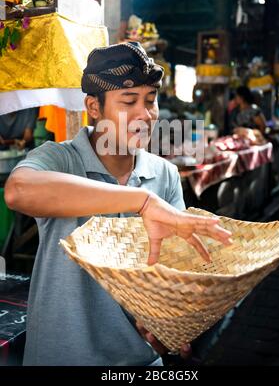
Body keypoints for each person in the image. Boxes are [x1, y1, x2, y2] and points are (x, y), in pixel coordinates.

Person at [4, 42, 232, 366]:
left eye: (150, 101)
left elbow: (169, 275)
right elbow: (18, 191)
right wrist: (141, 201)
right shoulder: (60, 159)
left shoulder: (163, 175)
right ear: (93, 107)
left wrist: (165, 322)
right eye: (129, 101)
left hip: (139, 362)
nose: (146, 114)